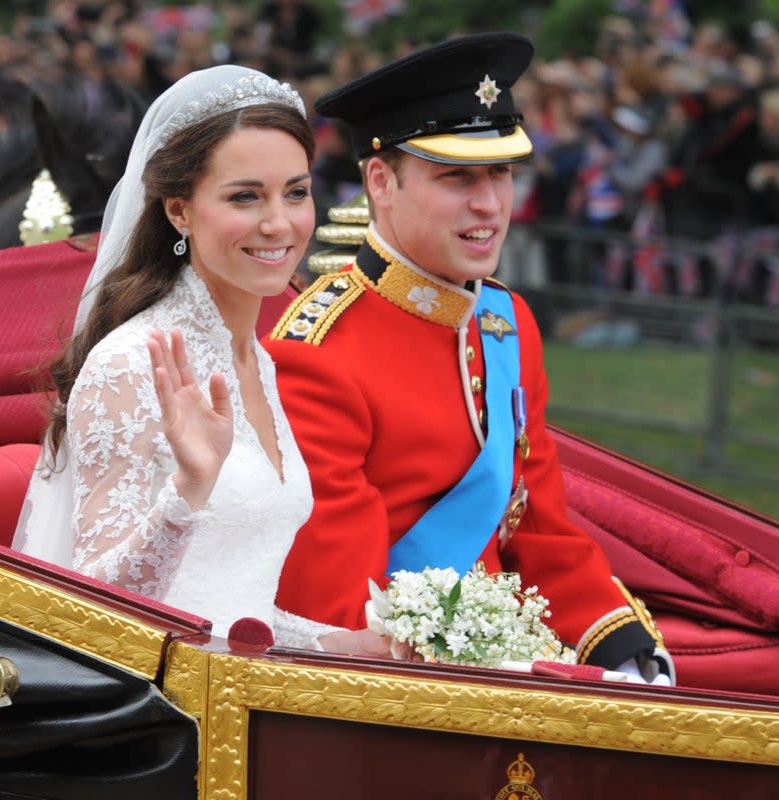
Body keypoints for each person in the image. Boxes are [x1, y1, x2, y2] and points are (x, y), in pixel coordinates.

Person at [266, 33, 673, 683]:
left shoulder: (507, 325)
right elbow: (340, 612)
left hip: (502, 649)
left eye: (501, 173)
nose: (488, 204)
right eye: (457, 177)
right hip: (407, 683)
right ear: (381, 182)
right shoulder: (317, 353)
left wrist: (618, 646)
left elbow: (536, 526)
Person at [12, 64, 349, 650]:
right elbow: (89, 605)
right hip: (161, 714)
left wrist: (348, 643)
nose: (279, 223)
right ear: (179, 211)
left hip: (246, 693)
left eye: (296, 192)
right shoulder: (128, 364)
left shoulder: (257, 363)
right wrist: (187, 490)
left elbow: (231, 604)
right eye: (245, 196)